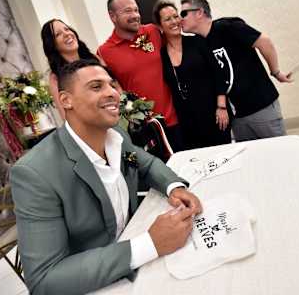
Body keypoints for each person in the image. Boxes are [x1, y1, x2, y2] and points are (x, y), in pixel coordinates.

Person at [10, 59, 202, 295]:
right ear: (65, 100)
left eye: (112, 85)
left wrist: (174, 187)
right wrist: (149, 244)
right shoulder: (35, 174)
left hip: (141, 254)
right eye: (96, 86)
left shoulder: (117, 137)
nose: (113, 93)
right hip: (98, 280)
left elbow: (144, 164)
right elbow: (44, 280)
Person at [180, 0, 293, 142]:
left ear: (199, 12)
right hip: (237, 115)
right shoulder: (200, 43)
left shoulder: (228, 27)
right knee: (250, 159)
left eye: (184, 14)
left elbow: (264, 42)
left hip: (261, 106)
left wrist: (276, 71)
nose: (180, 19)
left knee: (279, 153)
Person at [97, 0, 184, 151]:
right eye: (128, 11)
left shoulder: (153, 31)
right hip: (145, 130)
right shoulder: (104, 52)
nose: (135, 15)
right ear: (112, 16)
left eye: (136, 10)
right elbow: (114, 91)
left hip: (176, 121)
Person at [153, 0, 231, 150]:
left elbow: (219, 73)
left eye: (176, 16)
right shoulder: (161, 55)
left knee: (224, 156)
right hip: (187, 122)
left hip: (214, 114)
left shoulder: (197, 41)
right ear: (159, 26)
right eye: (168, 19)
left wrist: (221, 107)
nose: (175, 21)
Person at [41, 19, 100, 120]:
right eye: (58, 34)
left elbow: (116, 88)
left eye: (67, 29)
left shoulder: (94, 58)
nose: (67, 34)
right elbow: (66, 115)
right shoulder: (56, 77)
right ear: (52, 45)